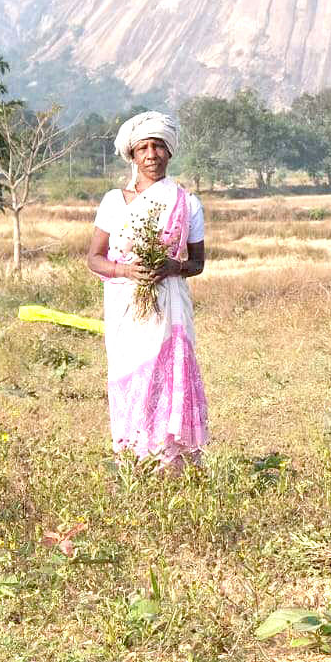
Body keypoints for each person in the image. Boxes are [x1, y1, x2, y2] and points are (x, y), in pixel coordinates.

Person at [86, 112, 209, 468]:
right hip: (126, 307)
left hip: (168, 307)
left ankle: (170, 460)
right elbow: (94, 258)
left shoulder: (188, 203)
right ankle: (134, 459)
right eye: (144, 147)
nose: (151, 154)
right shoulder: (113, 201)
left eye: (158, 146)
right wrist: (126, 270)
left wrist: (173, 267)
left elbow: (197, 263)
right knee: (131, 376)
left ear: (169, 153)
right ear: (133, 156)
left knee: (165, 375)